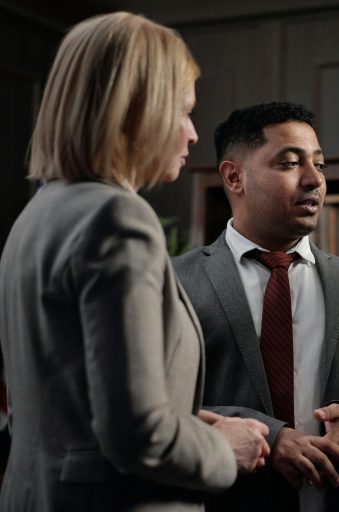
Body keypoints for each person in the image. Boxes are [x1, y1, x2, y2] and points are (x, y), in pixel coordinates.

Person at [0, 12, 271, 511]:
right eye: (185, 111)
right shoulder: (118, 218)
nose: (193, 134)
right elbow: (137, 436)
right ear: (135, 108)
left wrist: (185, 421)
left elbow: (63, 405)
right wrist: (223, 447)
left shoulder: (36, 216)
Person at [172, 102, 339, 511]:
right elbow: (152, 407)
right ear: (234, 176)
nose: (314, 180)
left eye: (320, 164)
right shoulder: (171, 283)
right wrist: (268, 436)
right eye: (291, 163)